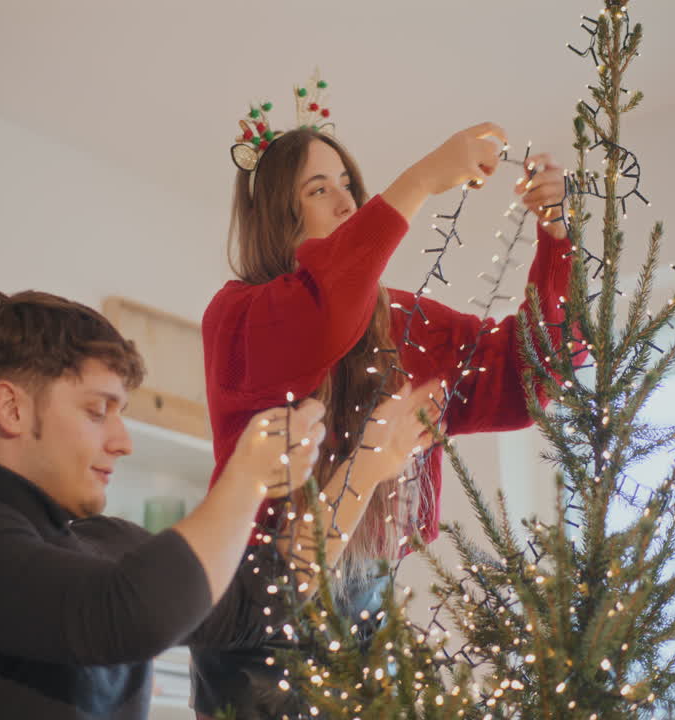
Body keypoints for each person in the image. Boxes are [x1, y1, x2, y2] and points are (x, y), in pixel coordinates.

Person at [192, 114, 579, 718]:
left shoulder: (402, 327)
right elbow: (321, 313)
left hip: (367, 620)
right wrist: (424, 177)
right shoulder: (241, 318)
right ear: (276, 218)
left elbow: (526, 373)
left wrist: (556, 235)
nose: (348, 200)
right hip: (258, 630)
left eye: (349, 183)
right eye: (318, 189)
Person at [0, 289, 326, 719]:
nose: (123, 442)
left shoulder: (110, 543)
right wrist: (247, 477)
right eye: (97, 412)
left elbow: (260, 604)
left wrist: (367, 465)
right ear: (11, 408)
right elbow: (127, 618)